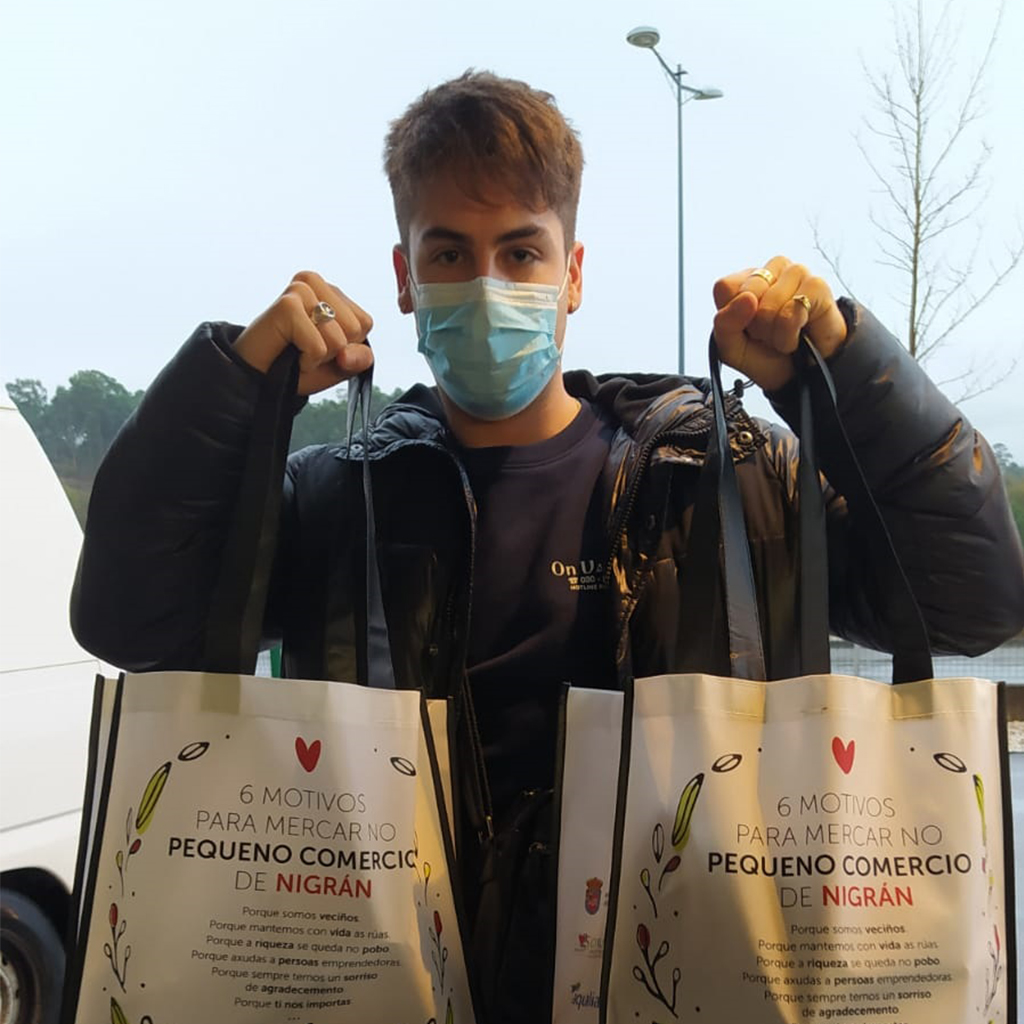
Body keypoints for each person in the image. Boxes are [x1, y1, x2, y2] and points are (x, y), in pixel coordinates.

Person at [72, 71, 1024, 1022]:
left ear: (572, 274)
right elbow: (132, 619)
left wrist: (845, 373)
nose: (488, 285)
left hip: (690, 981)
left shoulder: (727, 484)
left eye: (521, 251)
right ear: (404, 279)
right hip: (393, 990)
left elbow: (973, 601)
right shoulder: (334, 499)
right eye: (450, 252)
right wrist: (236, 392)